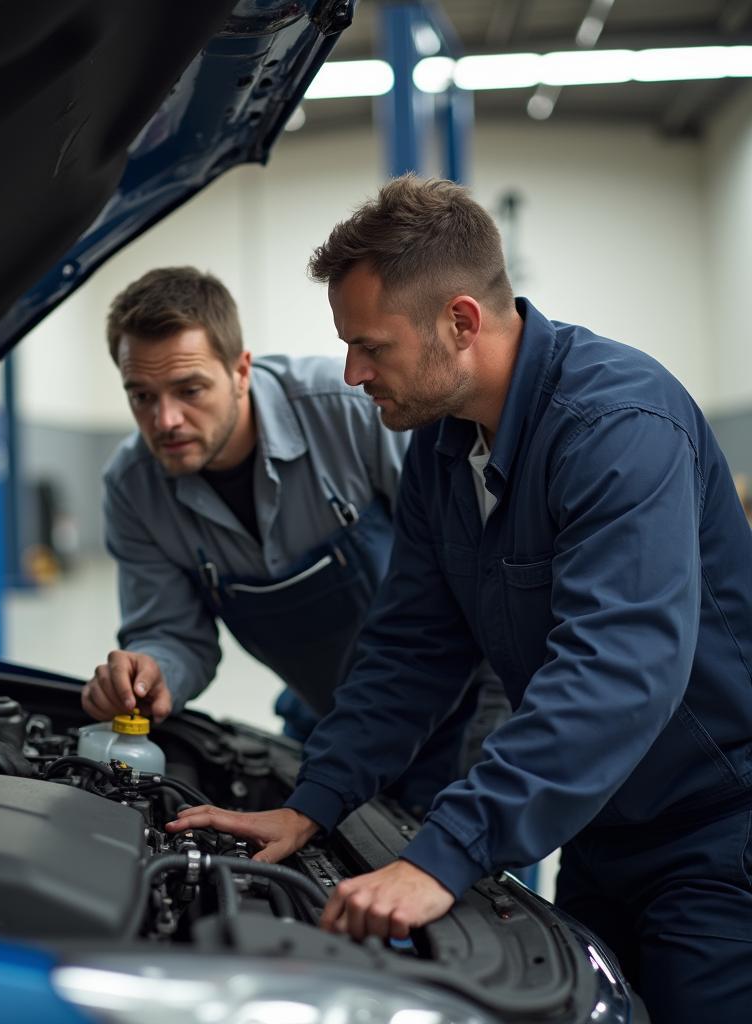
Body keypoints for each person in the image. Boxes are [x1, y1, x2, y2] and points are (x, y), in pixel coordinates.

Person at [167, 177, 752, 1023]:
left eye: (371, 346)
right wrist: (312, 803)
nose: (353, 372)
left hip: (715, 832)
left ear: (462, 322)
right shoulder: (443, 452)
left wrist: (448, 853)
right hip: (600, 825)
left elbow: (618, 672)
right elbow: (410, 650)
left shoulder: (619, 427)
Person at [86, 266, 501, 813]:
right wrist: (152, 670)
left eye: (190, 390)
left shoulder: (355, 414)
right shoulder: (133, 488)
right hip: (331, 725)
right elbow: (173, 632)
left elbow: (481, 567)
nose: (165, 420)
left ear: (240, 371)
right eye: (141, 395)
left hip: (457, 718)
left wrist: (494, 742)